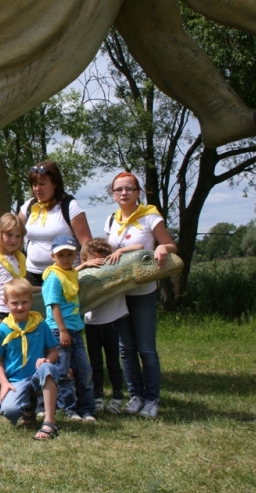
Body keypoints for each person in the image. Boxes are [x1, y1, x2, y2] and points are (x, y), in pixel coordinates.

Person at [105, 172, 177, 419]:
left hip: (144, 291)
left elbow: (171, 245)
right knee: (126, 348)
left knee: (146, 348)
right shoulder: (111, 220)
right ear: (113, 194)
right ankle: (135, 396)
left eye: (129, 189)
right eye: (118, 190)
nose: (123, 193)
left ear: (138, 192)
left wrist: (161, 247)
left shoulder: (150, 216)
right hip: (120, 291)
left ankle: (152, 399)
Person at [76, 239, 140, 414]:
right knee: (95, 364)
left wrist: (119, 252)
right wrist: (84, 266)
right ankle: (98, 398)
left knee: (113, 363)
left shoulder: (116, 267)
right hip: (91, 324)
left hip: (112, 322)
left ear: (96, 256)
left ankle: (117, 398)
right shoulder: (86, 273)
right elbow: (64, 276)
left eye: (84, 259)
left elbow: (140, 248)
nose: (83, 263)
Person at [0, 279, 60, 440]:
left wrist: (46, 360)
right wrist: (4, 383)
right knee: (9, 411)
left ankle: (50, 422)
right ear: (6, 303)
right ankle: (29, 408)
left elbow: (53, 351)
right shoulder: (2, 329)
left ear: (32, 301)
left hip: (37, 375)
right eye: (15, 303)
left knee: (48, 368)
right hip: (17, 380)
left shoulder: (40, 324)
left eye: (24, 302)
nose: (20, 307)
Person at [42, 234, 95, 421]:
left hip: (75, 330)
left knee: (84, 370)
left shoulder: (70, 272)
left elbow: (73, 272)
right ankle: (69, 409)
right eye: (61, 255)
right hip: (59, 331)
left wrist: (86, 265)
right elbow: (54, 305)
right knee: (62, 372)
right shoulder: (54, 277)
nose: (65, 258)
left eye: (70, 254)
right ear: (53, 257)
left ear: (76, 256)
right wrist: (62, 330)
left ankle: (88, 409)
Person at [17, 160, 92, 289]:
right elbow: (12, 231)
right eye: (34, 184)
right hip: (33, 275)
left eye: (42, 184)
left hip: (64, 274)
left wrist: (85, 273)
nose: (37, 189)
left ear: (55, 184)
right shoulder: (29, 206)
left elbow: (87, 244)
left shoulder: (69, 206)